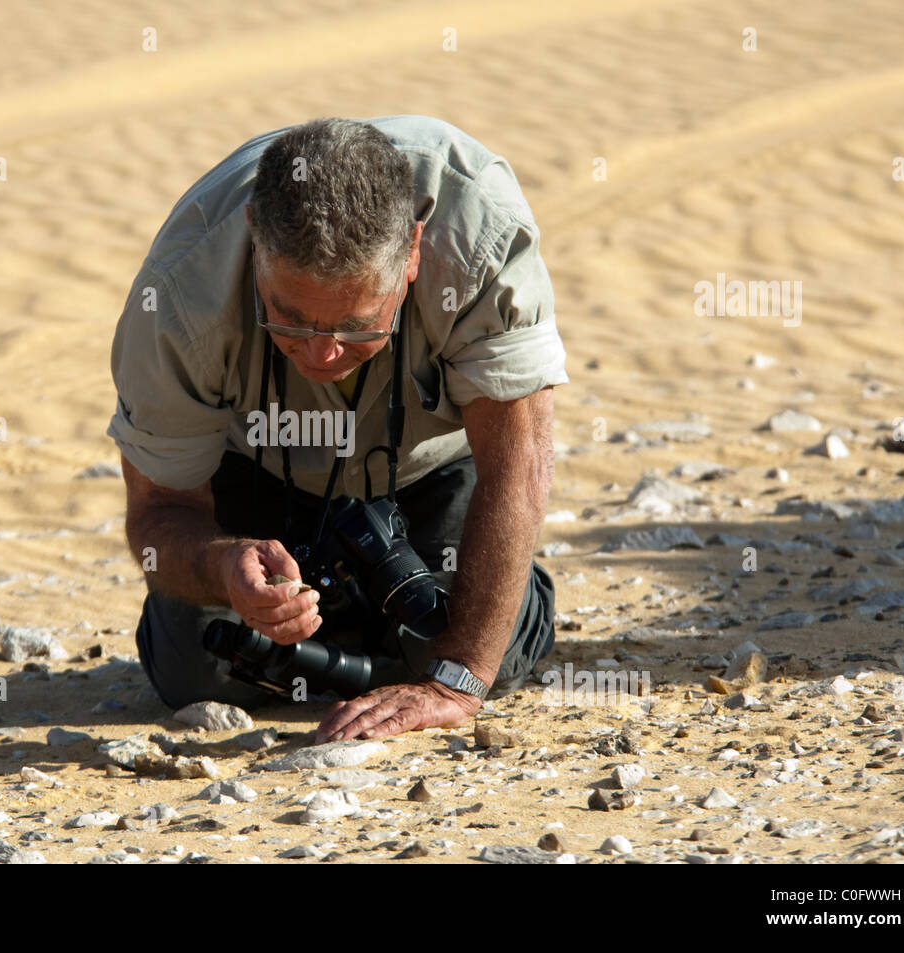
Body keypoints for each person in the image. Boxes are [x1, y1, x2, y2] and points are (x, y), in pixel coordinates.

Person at [107, 115, 568, 743]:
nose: (321, 357)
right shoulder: (179, 293)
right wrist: (222, 567)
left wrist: (456, 679)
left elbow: (520, 462)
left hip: (428, 469)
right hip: (257, 473)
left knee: (477, 648)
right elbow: (158, 512)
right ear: (253, 242)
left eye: (357, 326)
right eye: (289, 321)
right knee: (195, 671)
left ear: (413, 253)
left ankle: (479, 596)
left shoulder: (478, 233)